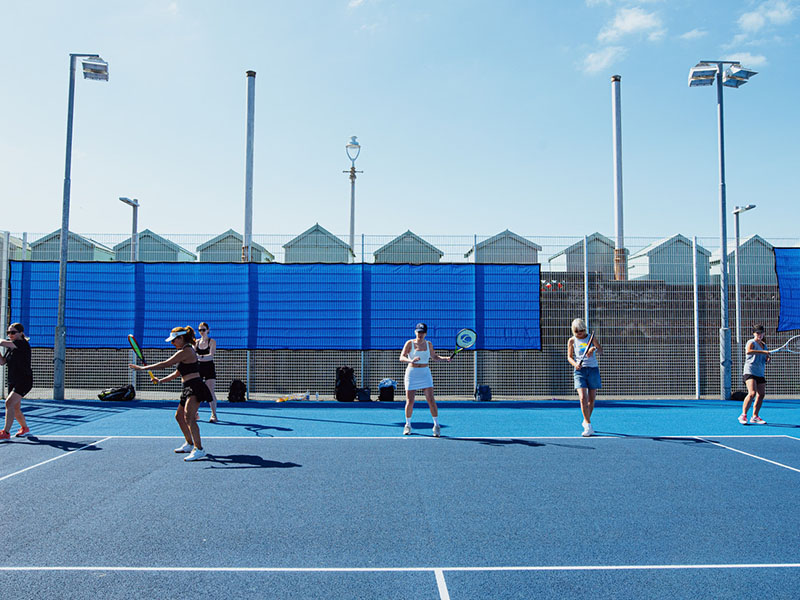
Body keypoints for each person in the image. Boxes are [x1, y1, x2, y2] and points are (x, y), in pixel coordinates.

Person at [130, 326, 211, 461]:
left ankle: (199, 449)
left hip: (195, 387)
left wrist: (142, 368)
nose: (172, 343)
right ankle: (190, 444)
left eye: (174, 340)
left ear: (181, 338)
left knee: (189, 418)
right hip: (187, 388)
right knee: (179, 416)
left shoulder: (187, 350)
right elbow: (177, 373)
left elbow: (165, 364)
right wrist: (160, 381)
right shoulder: (183, 352)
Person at [399, 323, 451, 437]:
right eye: (418, 332)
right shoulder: (409, 343)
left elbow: (435, 357)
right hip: (412, 373)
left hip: (425, 373)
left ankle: (436, 426)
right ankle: (407, 425)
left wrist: (445, 358)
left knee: (431, 399)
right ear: (415, 332)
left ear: (426, 333)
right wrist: (411, 360)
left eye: (422, 332)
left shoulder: (429, 344)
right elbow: (401, 357)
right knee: (410, 401)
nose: (420, 334)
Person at [567, 318, 602, 437]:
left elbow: (601, 350)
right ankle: (588, 424)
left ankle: (586, 420)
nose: (579, 333)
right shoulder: (572, 341)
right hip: (580, 371)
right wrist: (575, 364)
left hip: (592, 370)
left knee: (591, 400)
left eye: (581, 330)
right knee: (582, 398)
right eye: (577, 331)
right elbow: (569, 357)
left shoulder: (590, 338)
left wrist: (593, 349)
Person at [0, 323, 33, 440]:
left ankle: (6, 432)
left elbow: (2, 342)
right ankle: (25, 428)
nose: (10, 335)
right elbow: (2, 362)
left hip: (24, 380)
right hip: (13, 380)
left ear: (20, 333)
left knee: (8, 403)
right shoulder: (11, 347)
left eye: (13, 333)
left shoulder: (22, 344)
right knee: (15, 407)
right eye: (8, 333)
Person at [739, 324, 771, 425]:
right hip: (750, 371)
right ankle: (743, 415)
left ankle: (755, 416)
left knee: (761, 394)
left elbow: (764, 358)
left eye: (761, 333)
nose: (759, 335)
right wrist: (763, 352)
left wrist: (767, 358)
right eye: (757, 333)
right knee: (752, 393)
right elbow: (749, 351)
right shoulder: (751, 342)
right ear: (754, 333)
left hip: (760, 372)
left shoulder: (764, 345)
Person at [195, 322, 218, 423]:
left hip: (209, 368)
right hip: (198, 368)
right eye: (200, 330)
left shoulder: (212, 342)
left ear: (208, 330)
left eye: (203, 330)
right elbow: (193, 356)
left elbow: (211, 356)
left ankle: (214, 415)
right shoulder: (196, 342)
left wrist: (200, 357)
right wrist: (200, 358)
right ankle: (195, 413)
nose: (202, 332)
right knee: (196, 391)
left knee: (210, 391)